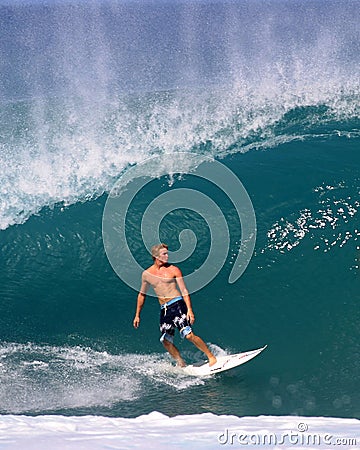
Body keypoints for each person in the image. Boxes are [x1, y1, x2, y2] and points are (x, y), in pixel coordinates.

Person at [133, 243, 217, 367]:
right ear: (156, 256)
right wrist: (137, 315)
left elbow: (184, 290)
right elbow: (142, 295)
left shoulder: (174, 270)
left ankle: (211, 356)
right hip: (164, 309)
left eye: (167, 253)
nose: (167, 256)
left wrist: (189, 309)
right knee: (165, 341)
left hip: (177, 304)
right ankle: (181, 363)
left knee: (188, 335)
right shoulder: (147, 274)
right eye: (164, 254)